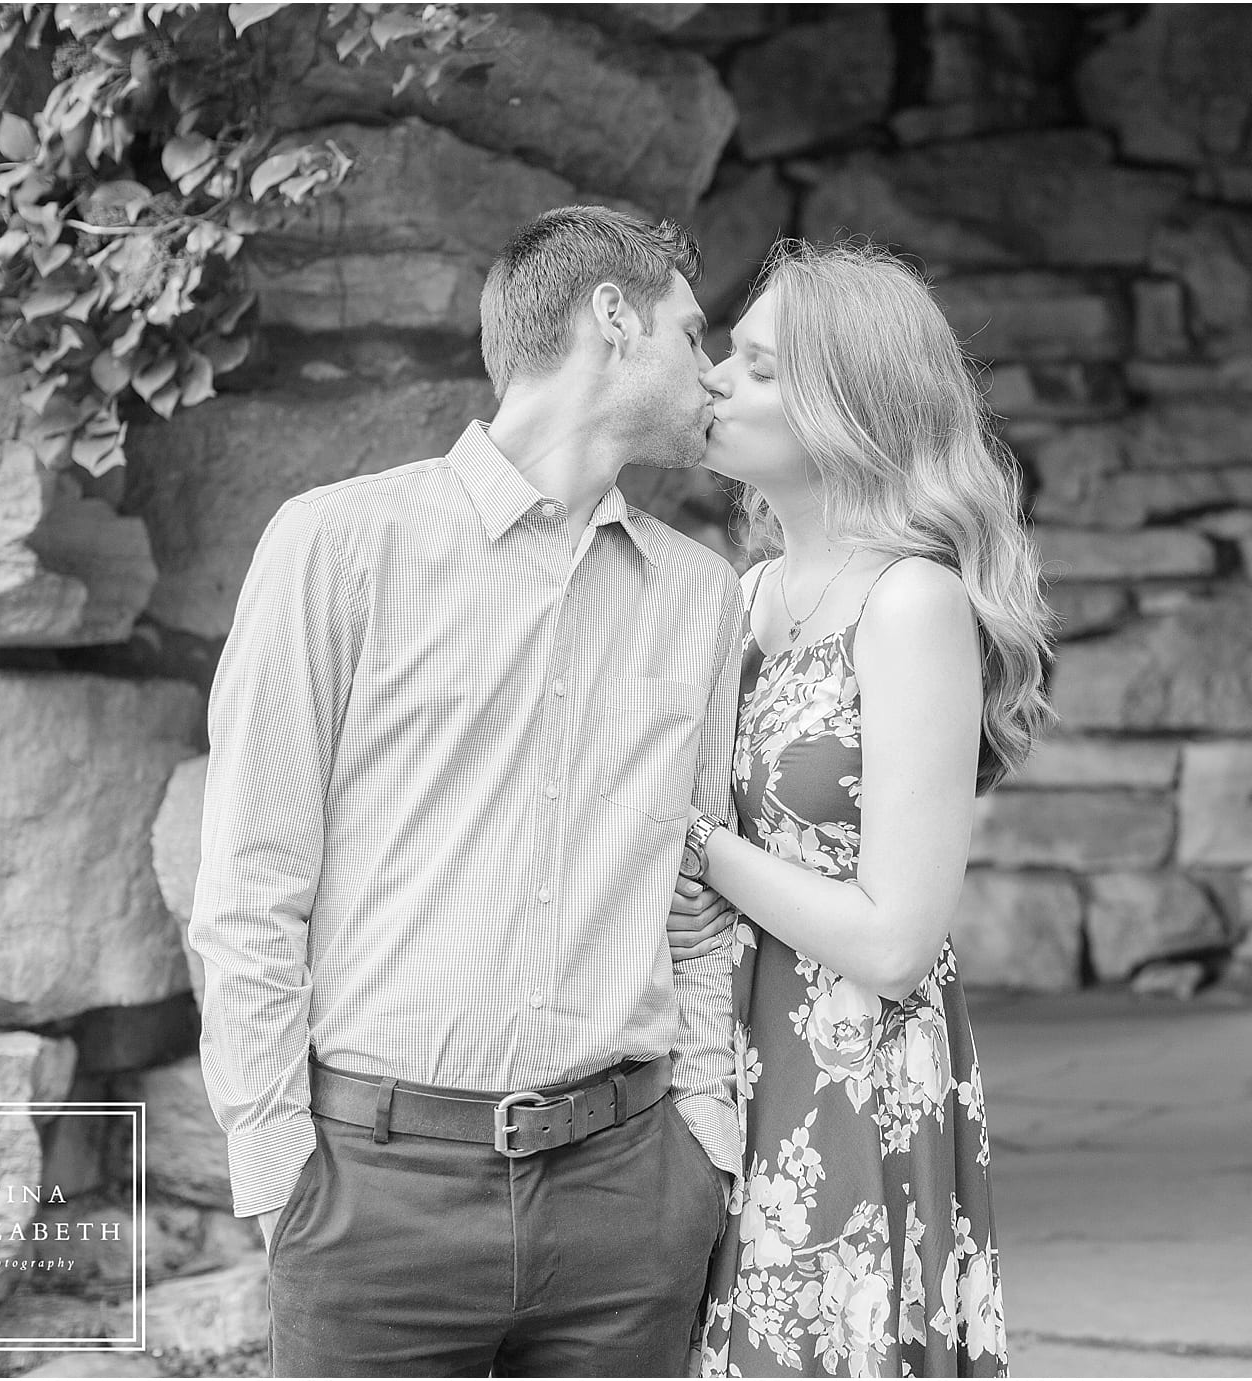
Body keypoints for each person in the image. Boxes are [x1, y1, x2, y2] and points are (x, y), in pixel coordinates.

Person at [189, 206, 741, 1377]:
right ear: (612, 318)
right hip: (371, 1199)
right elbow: (248, 875)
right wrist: (274, 1154)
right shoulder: (337, 546)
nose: (716, 374)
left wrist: (708, 1142)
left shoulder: (702, 593)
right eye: (695, 337)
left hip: (631, 1196)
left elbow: (695, 883)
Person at [668, 240, 1054, 1377]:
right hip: (725, 1053)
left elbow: (896, 939)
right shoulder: (743, 596)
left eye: (758, 366)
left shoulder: (912, 604)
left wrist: (692, 844)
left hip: (850, 1074)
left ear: (850, 406)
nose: (715, 383)